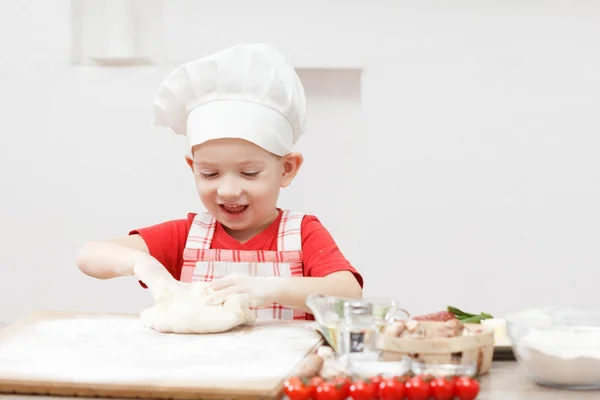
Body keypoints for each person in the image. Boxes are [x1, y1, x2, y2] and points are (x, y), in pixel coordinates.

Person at [76, 43, 363, 320]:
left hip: (286, 369)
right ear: (192, 168)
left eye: (249, 173)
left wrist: (271, 289)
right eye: (209, 174)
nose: (228, 190)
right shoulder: (187, 236)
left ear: (287, 168)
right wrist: (140, 263)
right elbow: (89, 255)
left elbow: (349, 293)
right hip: (201, 369)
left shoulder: (302, 234)